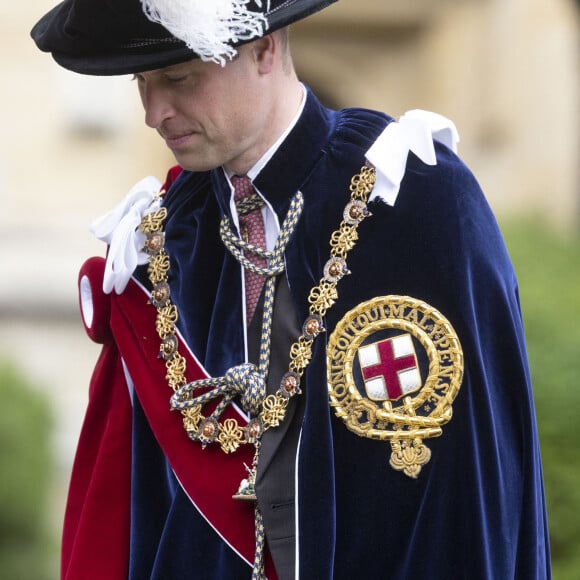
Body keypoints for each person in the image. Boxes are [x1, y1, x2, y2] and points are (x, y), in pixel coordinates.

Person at [32, 1, 551, 579]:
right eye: (142, 82)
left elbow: (474, 489)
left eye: (178, 78)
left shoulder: (414, 196)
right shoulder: (166, 241)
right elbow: (144, 508)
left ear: (263, 48)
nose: (155, 112)